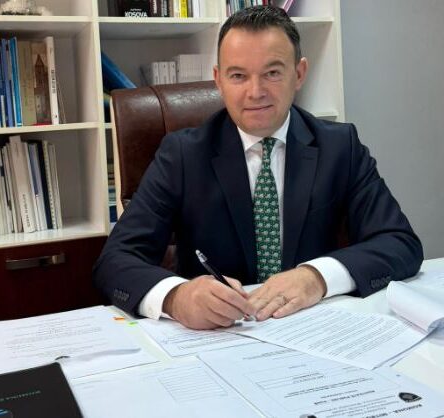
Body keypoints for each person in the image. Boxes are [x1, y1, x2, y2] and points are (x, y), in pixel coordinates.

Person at [93, 6, 423, 330]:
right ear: (218, 80)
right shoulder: (183, 155)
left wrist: (317, 277)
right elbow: (115, 261)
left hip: (313, 328)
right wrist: (176, 297)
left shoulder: (339, 147)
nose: (256, 92)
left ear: (299, 74)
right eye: (238, 76)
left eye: (272, 73)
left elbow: (400, 243)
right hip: (219, 334)